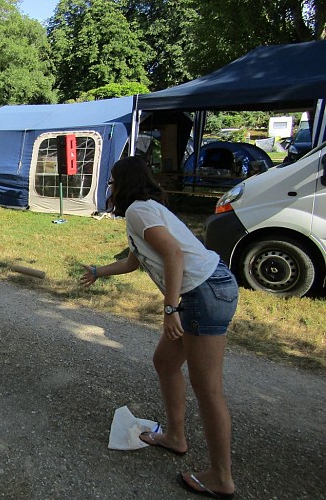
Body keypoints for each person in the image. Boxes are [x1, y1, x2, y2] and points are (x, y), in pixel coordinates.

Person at [80, 156, 238, 499]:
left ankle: (221, 477)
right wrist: (97, 271)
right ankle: (176, 437)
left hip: (202, 292)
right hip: (205, 289)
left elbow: (174, 256)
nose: (110, 187)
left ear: (124, 184)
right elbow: (133, 262)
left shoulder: (139, 210)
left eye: (112, 181)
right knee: (165, 363)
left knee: (207, 388)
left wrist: (171, 308)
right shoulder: (143, 211)